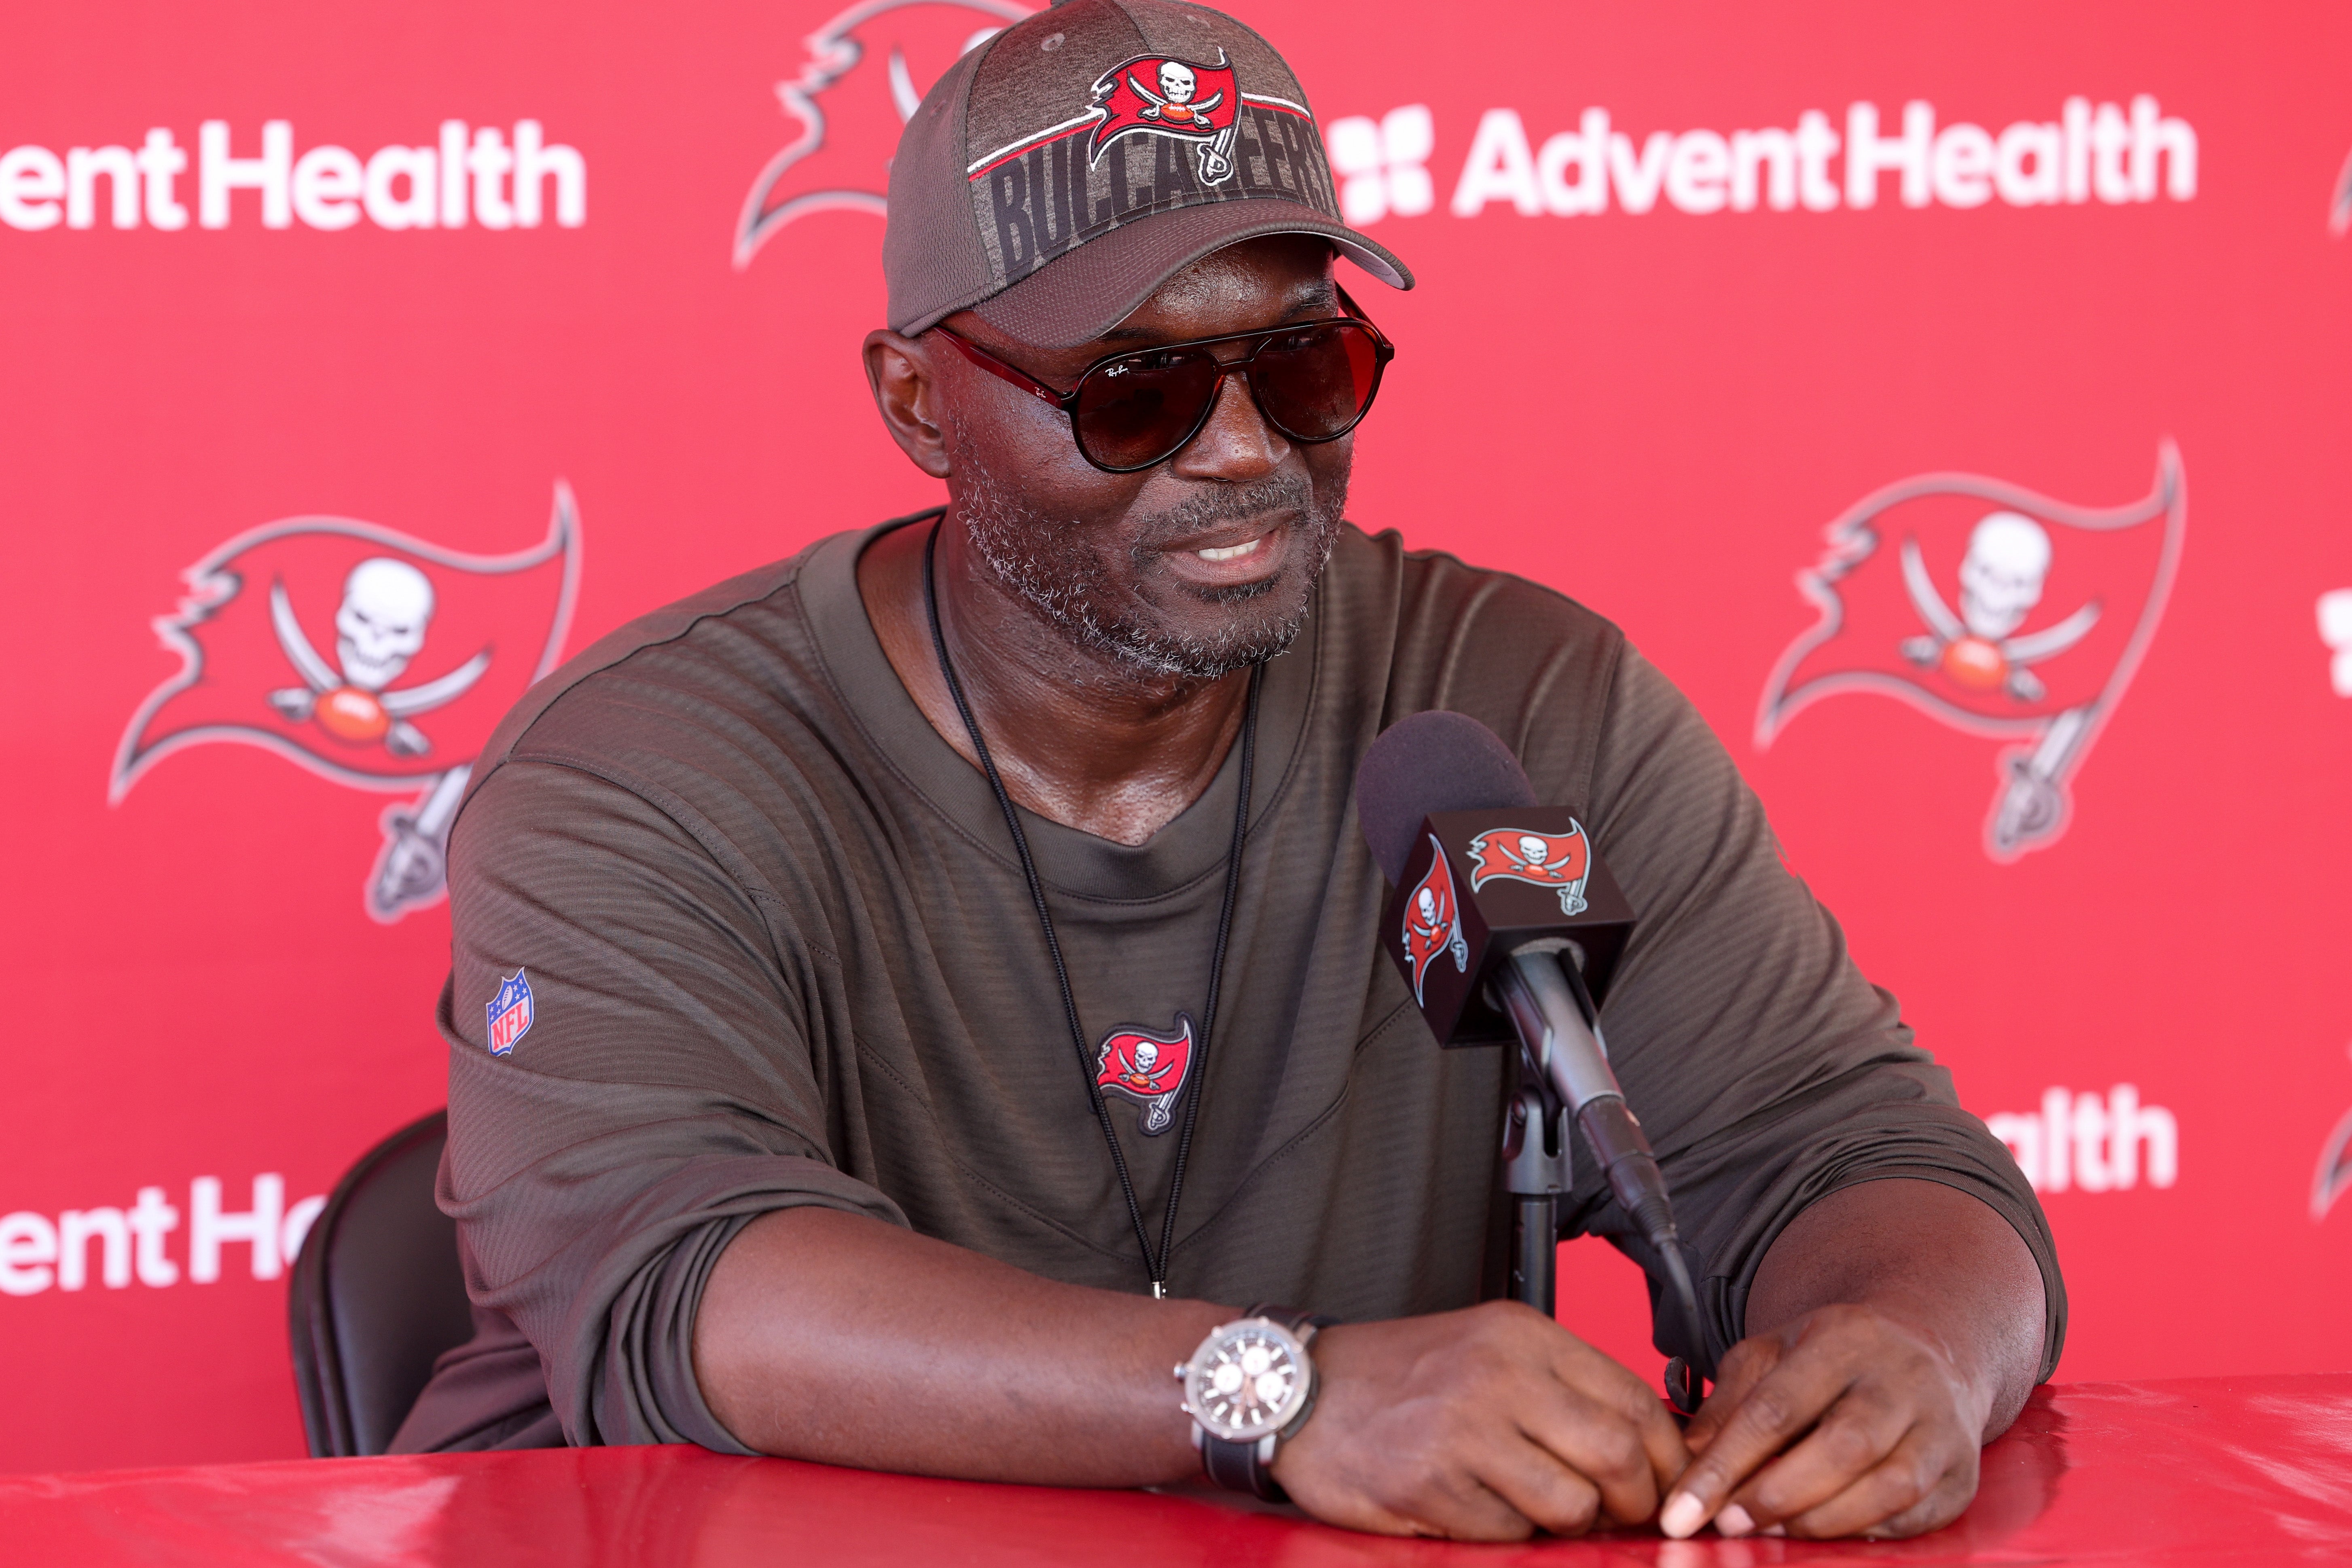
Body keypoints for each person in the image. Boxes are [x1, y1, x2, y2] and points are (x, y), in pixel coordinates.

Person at [394, 0, 2062, 1543]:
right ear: (916, 401)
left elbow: (1853, 1153)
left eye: (1301, 362)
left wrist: (1912, 1354)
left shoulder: (1516, 699)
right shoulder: (646, 767)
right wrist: (1283, 1391)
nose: (1248, 449)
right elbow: (687, 1284)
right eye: (1137, 390)